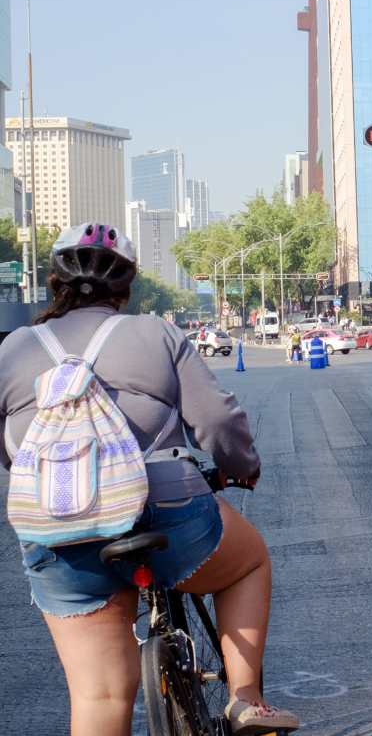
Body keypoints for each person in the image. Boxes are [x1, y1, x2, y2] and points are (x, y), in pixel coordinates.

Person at [0, 223, 298, 736]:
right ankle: (246, 699)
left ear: (54, 281)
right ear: (127, 285)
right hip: (167, 515)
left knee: (99, 697)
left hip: (58, 530)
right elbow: (218, 422)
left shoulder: (13, 350)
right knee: (248, 562)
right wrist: (241, 467)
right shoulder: (155, 333)